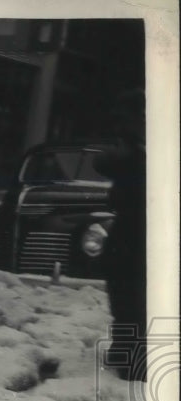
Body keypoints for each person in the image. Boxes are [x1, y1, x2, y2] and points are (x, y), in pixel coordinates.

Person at [94, 89, 146, 382]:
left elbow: (104, 163)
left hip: (134, 237)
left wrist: (130, 144)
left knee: (129, 300)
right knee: (128, 299)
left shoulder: (136, 154)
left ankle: (134, 360)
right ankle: (125, 351)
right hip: (134, 236)